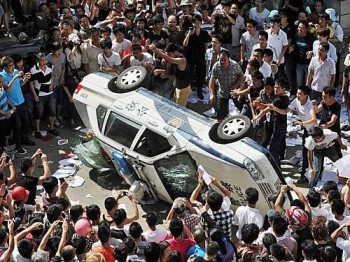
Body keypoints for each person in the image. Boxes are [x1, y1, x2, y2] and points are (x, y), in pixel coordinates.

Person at [0, 56, 35, 154]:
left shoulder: (15, 71)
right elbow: (7, 89)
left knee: (26, 122)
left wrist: (25, 79)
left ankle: (25, 139)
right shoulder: (2, 76)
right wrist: (15, 77)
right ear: (5, 67)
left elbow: (20, 84)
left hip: (21, 101)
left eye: (13, 65)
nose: (13, 67)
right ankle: (18, 146)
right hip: (12, 104)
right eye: (10, 66)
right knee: (17, 126)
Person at [288, 85, 317, 183]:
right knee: (305, 154)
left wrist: (302, 123)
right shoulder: (296, 101)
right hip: (306, 131)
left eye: (300, 94)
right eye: (297, 93)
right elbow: (287, 110)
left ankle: (312, 174)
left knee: (311, 155)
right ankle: (305, 174)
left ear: (306, 95)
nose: (297, 95)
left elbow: (314, 119)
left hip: (313, 132)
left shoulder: (309, 105)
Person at [29, 52, 60, 139]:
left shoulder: (50, 66)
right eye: (41, 61)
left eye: (44, 60)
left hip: (50, 93)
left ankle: (52, 127)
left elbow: (52, 75)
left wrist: (51, 84)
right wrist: (35, 95)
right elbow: (31, 83)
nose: (43, 62)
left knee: (52, 112)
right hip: (40, 94)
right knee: (38, 113)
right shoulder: (33, 70)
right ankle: (37, 130)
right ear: (38, 61)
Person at [209, 49, 244, 120]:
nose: (222, 62)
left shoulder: (235, 65)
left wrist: (236, 85)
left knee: (241, 108)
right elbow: (212, 80)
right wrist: (212, 94)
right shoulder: (216, 66)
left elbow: (241, 76)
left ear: (229, 59)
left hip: (234, 91)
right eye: (220, 59)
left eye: (224, 60)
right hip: (223, 92)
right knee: (221, 114)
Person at [183, 15, 211, 100]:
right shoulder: (189, 32)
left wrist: (206, 56)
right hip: (191, 56)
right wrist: (189, 34)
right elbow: (184, 44)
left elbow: (208, 42)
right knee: (190, 73)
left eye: (199, 23)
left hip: (200, 56)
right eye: (195, 23)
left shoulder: (204, 33)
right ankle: (189, 90)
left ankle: (199, 90)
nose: (197, 24)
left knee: (200, 74)